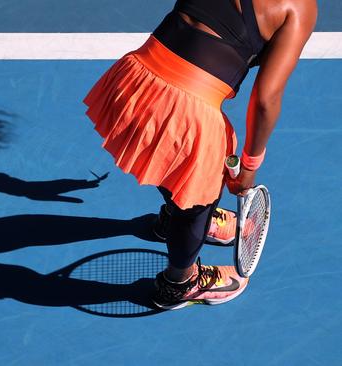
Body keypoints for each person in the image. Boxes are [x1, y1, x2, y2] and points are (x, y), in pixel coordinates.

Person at [83, 0, 317, 309]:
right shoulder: (298, 7)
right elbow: (266, 100)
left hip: (134, 81)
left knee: (178, 149)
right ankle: (180, 283)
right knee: (200, 181)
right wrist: (250, 164)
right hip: (186, 110)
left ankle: (171, 222)